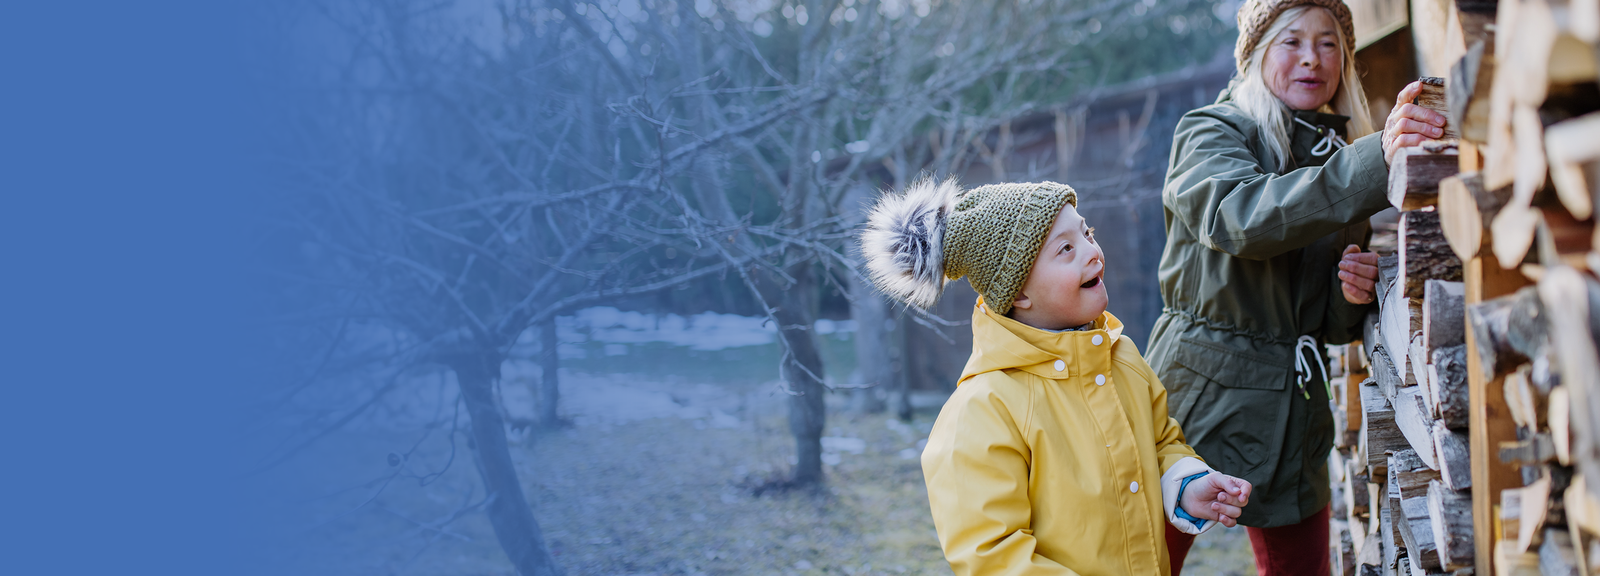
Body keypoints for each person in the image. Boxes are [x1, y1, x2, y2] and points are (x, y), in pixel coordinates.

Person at [1143, 0, 1450, 574]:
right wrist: (1374, 160)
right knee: (1145, 561)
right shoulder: (1210, 132)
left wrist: (1347, 296)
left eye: (1329, 43)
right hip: (1199, 395)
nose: (1313, 59)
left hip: (1296, 407)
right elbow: (1239, 219)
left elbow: (1322, 322)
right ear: (1257, 53)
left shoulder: (1338, 151)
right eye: (1293, 42)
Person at [860, 179, 1253, 576]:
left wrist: (1184, 483)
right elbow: (993, 557)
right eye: (1066, 249)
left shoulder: (1122, 358)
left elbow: (1160, 444)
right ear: (1018, 295)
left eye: (1087, 233)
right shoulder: (983, 411)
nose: (1093, 252)